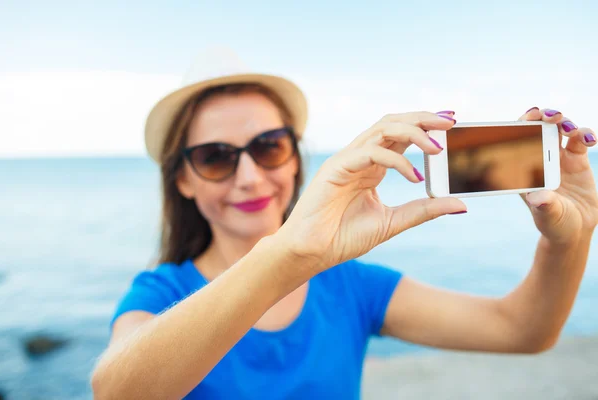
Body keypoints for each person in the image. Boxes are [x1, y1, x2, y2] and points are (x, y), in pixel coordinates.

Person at [91, 49, 598, 400]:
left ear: (294, 159)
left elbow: (523, 330)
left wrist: (571, 239)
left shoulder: (349, 286)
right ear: (182, 179)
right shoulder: (161, 293)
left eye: (269, 147)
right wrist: (290, 254)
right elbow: (116, 391)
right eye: (216, 157)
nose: (249, 178)